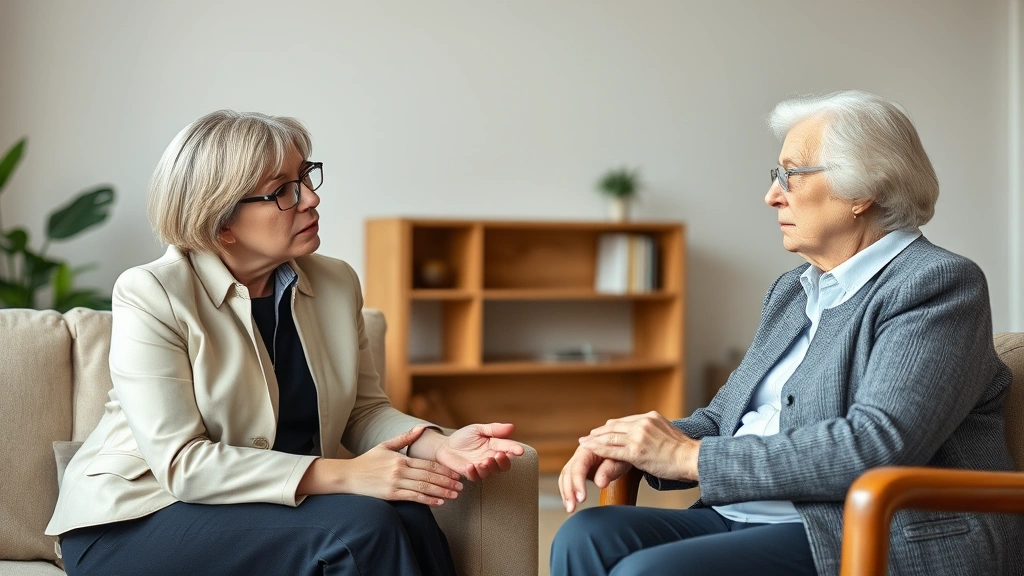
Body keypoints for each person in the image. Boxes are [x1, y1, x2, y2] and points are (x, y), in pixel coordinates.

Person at [550, 90, 1024, 576]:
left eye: (791, 175)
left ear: (863, 190)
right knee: (586, 537)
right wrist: (632, 444)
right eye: (776, 176)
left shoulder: (936, 283)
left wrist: (691, 458)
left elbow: (879, 443)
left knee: (647, 572)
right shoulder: (793, 291)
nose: (773, 194)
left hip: (864, 532)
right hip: (752, 515)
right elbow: (723, 420)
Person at [45, 110, 524, 576]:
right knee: (361, 525)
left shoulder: (336, 282)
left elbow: (364, 412)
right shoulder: (153, 292)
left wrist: (437, 445)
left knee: (411, 517)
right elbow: (183, 464)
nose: (311, 199)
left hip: (259, 508)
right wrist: (349, 475)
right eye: (282, 191)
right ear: (221, 223)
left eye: (307, 177)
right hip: (138, 518)